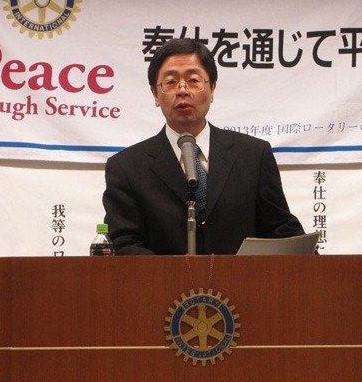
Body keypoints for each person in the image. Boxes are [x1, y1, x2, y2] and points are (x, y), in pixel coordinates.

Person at [103, 37, 305, 255]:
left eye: (193, 80)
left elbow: (281, 229)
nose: (182, 90)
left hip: (240, 278)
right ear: (155, 94)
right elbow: (123, 242)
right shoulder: (126, 167)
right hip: (161, 278)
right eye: (170, 82)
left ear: (212, 88)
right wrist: (174, 273)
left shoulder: (254, 155)